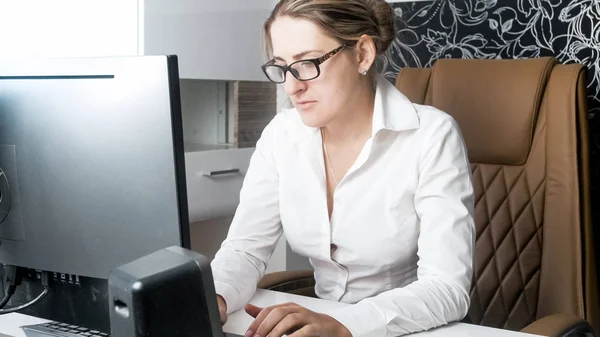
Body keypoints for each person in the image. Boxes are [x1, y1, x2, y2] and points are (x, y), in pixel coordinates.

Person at [210, 0, 475, 336]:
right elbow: (245, 250)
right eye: (282, 67)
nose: (292, 87)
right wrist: (213, 298)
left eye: (306, 63)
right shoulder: (282, 134)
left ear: (363, 54)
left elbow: (446, 288)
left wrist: (344, 325)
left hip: (409, 328)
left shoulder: (432, 136)